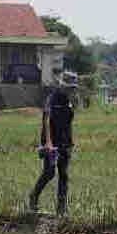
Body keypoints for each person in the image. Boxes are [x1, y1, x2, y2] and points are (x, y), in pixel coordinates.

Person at [28, 71, 80, 216]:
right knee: (50, 172)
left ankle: (61, 209)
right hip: (51, 141)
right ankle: (34, 196)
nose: (71, 90)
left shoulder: (71, 101)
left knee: (64, 174)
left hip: (65, 142)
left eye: (73, 88)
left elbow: (69, 122)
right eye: (69, 87)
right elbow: (46, 121)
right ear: (62, 85)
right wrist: (49, 143)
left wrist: (71, 142)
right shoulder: (52, 98)